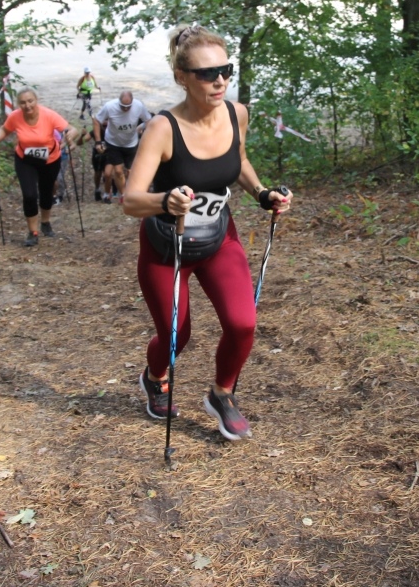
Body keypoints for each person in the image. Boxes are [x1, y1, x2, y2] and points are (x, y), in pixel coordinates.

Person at [122, 24, 292, 441]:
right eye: (206, 73)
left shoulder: (237, 113)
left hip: (218, 236)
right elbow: (130, 200)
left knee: (242, 323)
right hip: (168, 246)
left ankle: (222, 393)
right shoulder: (163, 128)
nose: (219, 80)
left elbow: (239, 158)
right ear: (181, 76)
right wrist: (166, 202)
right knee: (177, 334)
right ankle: (155, 377)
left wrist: (261, 192)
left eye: (226, 70)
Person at [0, 87, 82, 247]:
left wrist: (70, 134)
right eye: (23, 103)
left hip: (50, 159)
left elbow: (72, 129)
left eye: (30, 101)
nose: (27, 105)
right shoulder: (15, 117)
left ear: (36, 101)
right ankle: (33, 232)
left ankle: (45, 222)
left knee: (46, 192)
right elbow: (5, 129)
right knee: (30, 195)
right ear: (18, 104)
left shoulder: (49, 115)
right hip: (25, 159)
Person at [93, 90, 151, 203]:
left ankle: (133, 192)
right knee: (118, 171)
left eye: (128, 107)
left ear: (132, 103)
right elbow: (96, 120)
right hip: (113, 142)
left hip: (131, 143)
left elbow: (148, 120)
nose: (125, 109)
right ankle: (124, 195)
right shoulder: (110, 106)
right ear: (118, 102)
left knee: (131, 171)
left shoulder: (139, 106)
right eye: (122, 106)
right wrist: (98, 141)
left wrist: (147, 136)